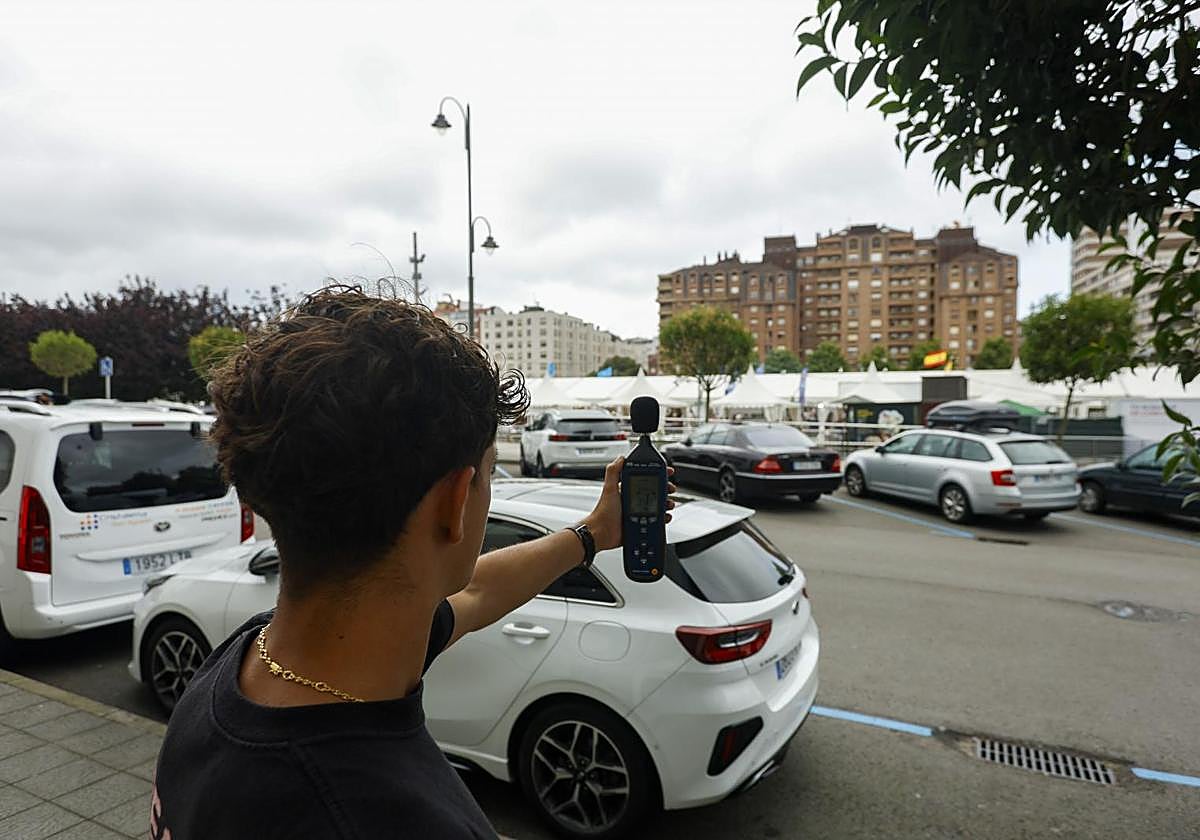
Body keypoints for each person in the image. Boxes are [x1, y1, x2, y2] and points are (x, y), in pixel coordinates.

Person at [149, 286, 673, 839]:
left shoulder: (242, 669)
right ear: (455, 502)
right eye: (490, 473)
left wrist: (592, 535)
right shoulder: (393, 817)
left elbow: (470, 598)